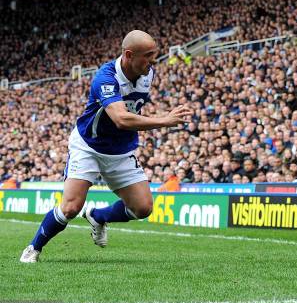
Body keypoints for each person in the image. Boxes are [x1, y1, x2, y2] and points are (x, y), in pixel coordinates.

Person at [20, 30, 192, 263]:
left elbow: (132, 108)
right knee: (70, 207)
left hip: (121, 150)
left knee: (143, 208)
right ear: (129, 55)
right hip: (88, 146)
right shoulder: (105, 77)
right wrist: (165, 120)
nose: (153, 61)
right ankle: (34, 248)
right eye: (148, 55)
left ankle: (98, 216)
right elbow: (121, 119)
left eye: (155, 54)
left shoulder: (147, 73)